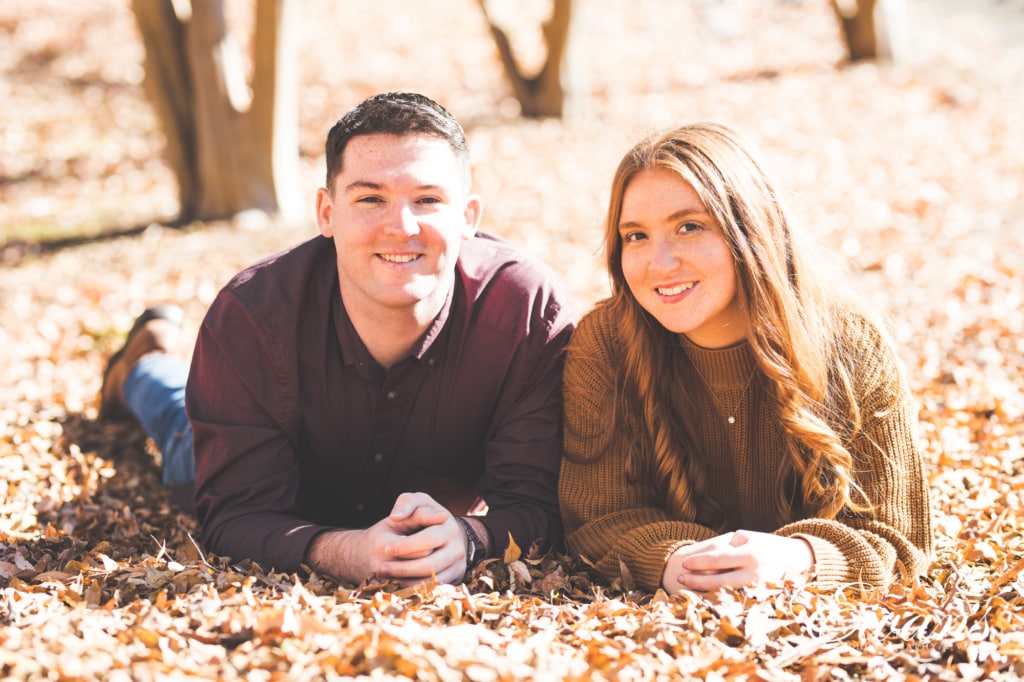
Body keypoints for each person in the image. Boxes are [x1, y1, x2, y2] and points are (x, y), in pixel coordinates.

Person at [100, 92, 575, 587]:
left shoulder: (526, 312)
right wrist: (352, 552)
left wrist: (471, 537)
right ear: (326, 212)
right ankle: (144, 360)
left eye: (428, 199)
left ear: (469, 216)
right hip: (247, 468)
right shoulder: (252, 316)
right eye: (371, 198)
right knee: (178, 423)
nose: (402, 226)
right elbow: (238, 515)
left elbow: (537, 503)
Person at [558, 122, 932, 594]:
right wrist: (678, 561)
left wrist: (800, 557)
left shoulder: (850, 343)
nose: (660, 261)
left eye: (689, 226)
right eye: (635, 236)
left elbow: (899, 539)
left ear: (750, 230)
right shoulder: (605, 344)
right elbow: (597, 516)